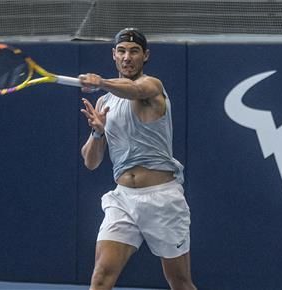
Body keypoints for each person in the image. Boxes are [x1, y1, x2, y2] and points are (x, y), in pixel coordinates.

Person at [78, 28, 197, 290]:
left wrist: (101, 82)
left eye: (134, 51)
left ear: (146, 55)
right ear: (114, 55)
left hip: (162, 199)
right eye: (121, 51)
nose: (127, 57)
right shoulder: (104, 103)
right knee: (100, 278)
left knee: (179, 282)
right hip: (122, 200)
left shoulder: (152, 86)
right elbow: (91, 162)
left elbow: (134, 89)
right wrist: (97, 132)